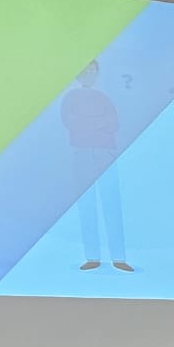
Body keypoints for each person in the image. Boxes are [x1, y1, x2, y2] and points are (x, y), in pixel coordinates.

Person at [63, 61, 132, 272]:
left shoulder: (104, 98)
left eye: (92, 70)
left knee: (112, 204)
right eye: (84, 70)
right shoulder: (70, 98)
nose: (88, 74)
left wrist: (89, 123)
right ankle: (92, 257)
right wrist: (96, 123)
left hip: (105, 154)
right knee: (87, 205)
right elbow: (71, 122)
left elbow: (113, 123)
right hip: (82, 153)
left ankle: (119, 258)